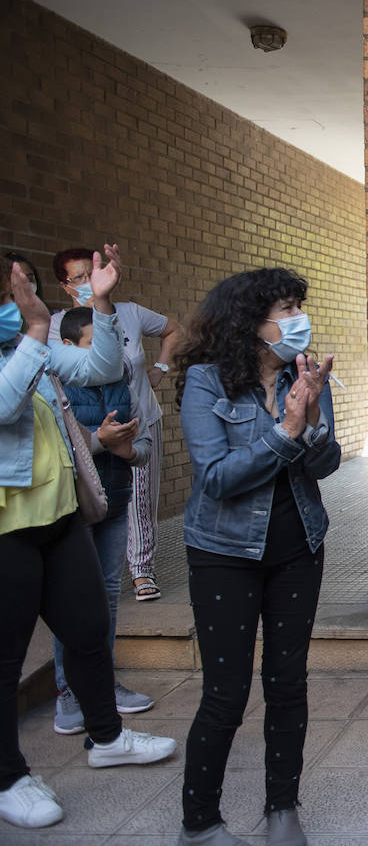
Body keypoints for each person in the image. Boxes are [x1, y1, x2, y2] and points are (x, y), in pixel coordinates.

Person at [0, 251, 177, 832]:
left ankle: (106, 736)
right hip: (8, 531)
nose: (24, 300)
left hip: (59, 518)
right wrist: (30, 330)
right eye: (14, 291)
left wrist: (100, 303)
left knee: (88, 632)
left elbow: (101, 369)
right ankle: (7, 776)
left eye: (25, 289)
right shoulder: (28, 343)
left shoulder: (37, 348)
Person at [174, 268, 340, 846]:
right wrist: (288, 428)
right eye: (285, 309)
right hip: (224, 552)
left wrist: (313, 418)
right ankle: (199, 825)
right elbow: (217, 479)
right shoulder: (205, 382)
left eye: (300, 306)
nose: (297, 319)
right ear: (249, 322)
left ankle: (282, 808)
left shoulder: (305, 373)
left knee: (288, 681)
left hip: (299, 547)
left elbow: (324, 466)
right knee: (226, 692)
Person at [52, 247, 182, 603]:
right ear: (65, 285)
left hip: (139, 418)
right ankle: (94, 567)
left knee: (140, 497)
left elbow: (173, 329)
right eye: (76, 278)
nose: (85, 282)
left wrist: (161, 369)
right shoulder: (57, 325)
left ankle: (141, 571)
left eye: (88, 274)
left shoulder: (130, 313)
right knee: (97, 497)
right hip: (88, 427)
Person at [51, 307, 155, 736]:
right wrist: (100, 441)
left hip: (115, 501)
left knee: (108, 596)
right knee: (73, 600)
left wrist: (130, 452)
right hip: (74, 507)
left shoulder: (120, 384)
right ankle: (67, 692)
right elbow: (59, 449)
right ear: (70, 349)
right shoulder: (54, 386)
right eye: (95, 344)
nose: (106, 354)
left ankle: (103, 684)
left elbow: (143, 443)